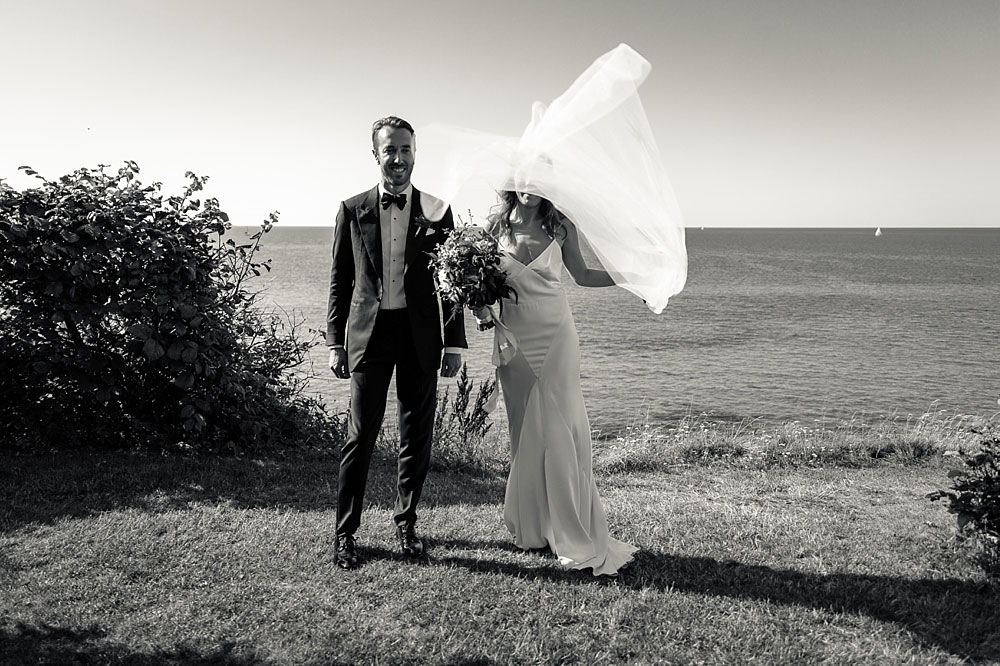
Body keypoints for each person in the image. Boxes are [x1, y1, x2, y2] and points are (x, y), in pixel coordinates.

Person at [327, 116, 467, 570]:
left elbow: (453, 280)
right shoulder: (352, 209)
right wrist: (335, 342)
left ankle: (406, 523)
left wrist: (455, 343)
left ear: (414, 152)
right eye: (390, 150)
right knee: (359, 436)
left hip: (420, 335)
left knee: (415, 436)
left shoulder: (437, 211)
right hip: (369, 336)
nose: (399, 158)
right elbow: (340, 282)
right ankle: (345, 533)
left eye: (406, 149)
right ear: (375, 154)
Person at [476, 190, 638, 576]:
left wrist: (629, 278)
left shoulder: (561, 226)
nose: (531, 187)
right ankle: (533, 528)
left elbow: (582, 276)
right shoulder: (493, 228)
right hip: (514, 337)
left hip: (557, 335)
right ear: (514, 181)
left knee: (560, 426)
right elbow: (476, 285)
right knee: (524, 430)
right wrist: (481, 309)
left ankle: (571, 529)